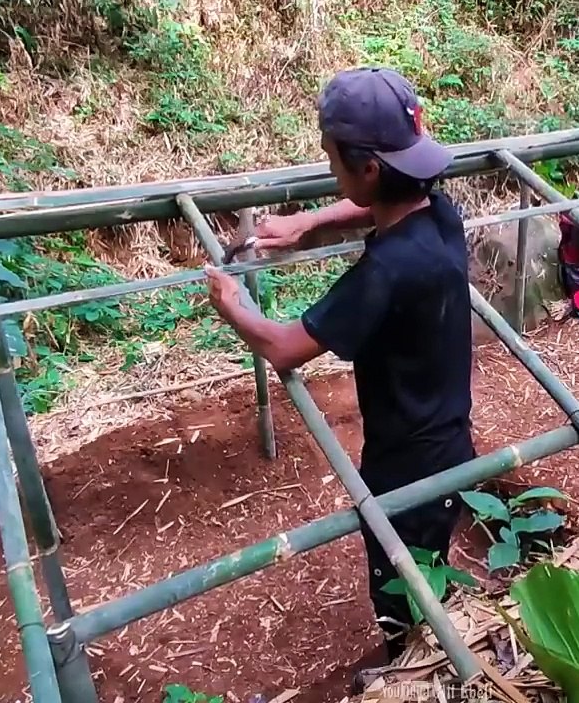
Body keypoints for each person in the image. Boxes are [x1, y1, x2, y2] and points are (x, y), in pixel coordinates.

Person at [203, 68, 475, 665]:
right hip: (450, 438)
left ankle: (414, 666)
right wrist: (307, 223)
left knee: (400, 577)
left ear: (369, 169)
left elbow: (284, 346)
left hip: (406, 465)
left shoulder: (382, 275)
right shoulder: (439, 216)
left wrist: (232, 307)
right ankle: (429, 640)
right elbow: (375, 207)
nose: (330, 170)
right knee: (429, 560)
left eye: (331, 159)